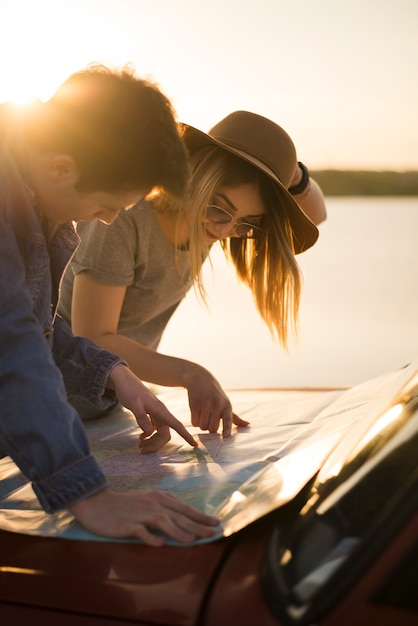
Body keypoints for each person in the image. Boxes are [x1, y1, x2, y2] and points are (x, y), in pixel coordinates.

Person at [0, 64, 220, 546]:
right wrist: (88, 494)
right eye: (107, 205)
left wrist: (113, 372)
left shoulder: (34, 194)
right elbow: (9, 348)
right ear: (61, 167)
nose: (108, 218)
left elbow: (29, 326)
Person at [59, 110, 327, 453]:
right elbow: (92, 337)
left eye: (245, 223)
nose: (223, 230)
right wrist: (191, 375)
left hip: (109, 407)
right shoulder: (124, 218)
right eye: (220, 208)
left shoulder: (210, 225)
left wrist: (291, 174)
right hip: (45, 401)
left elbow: (314, 216)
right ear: (194, 178)